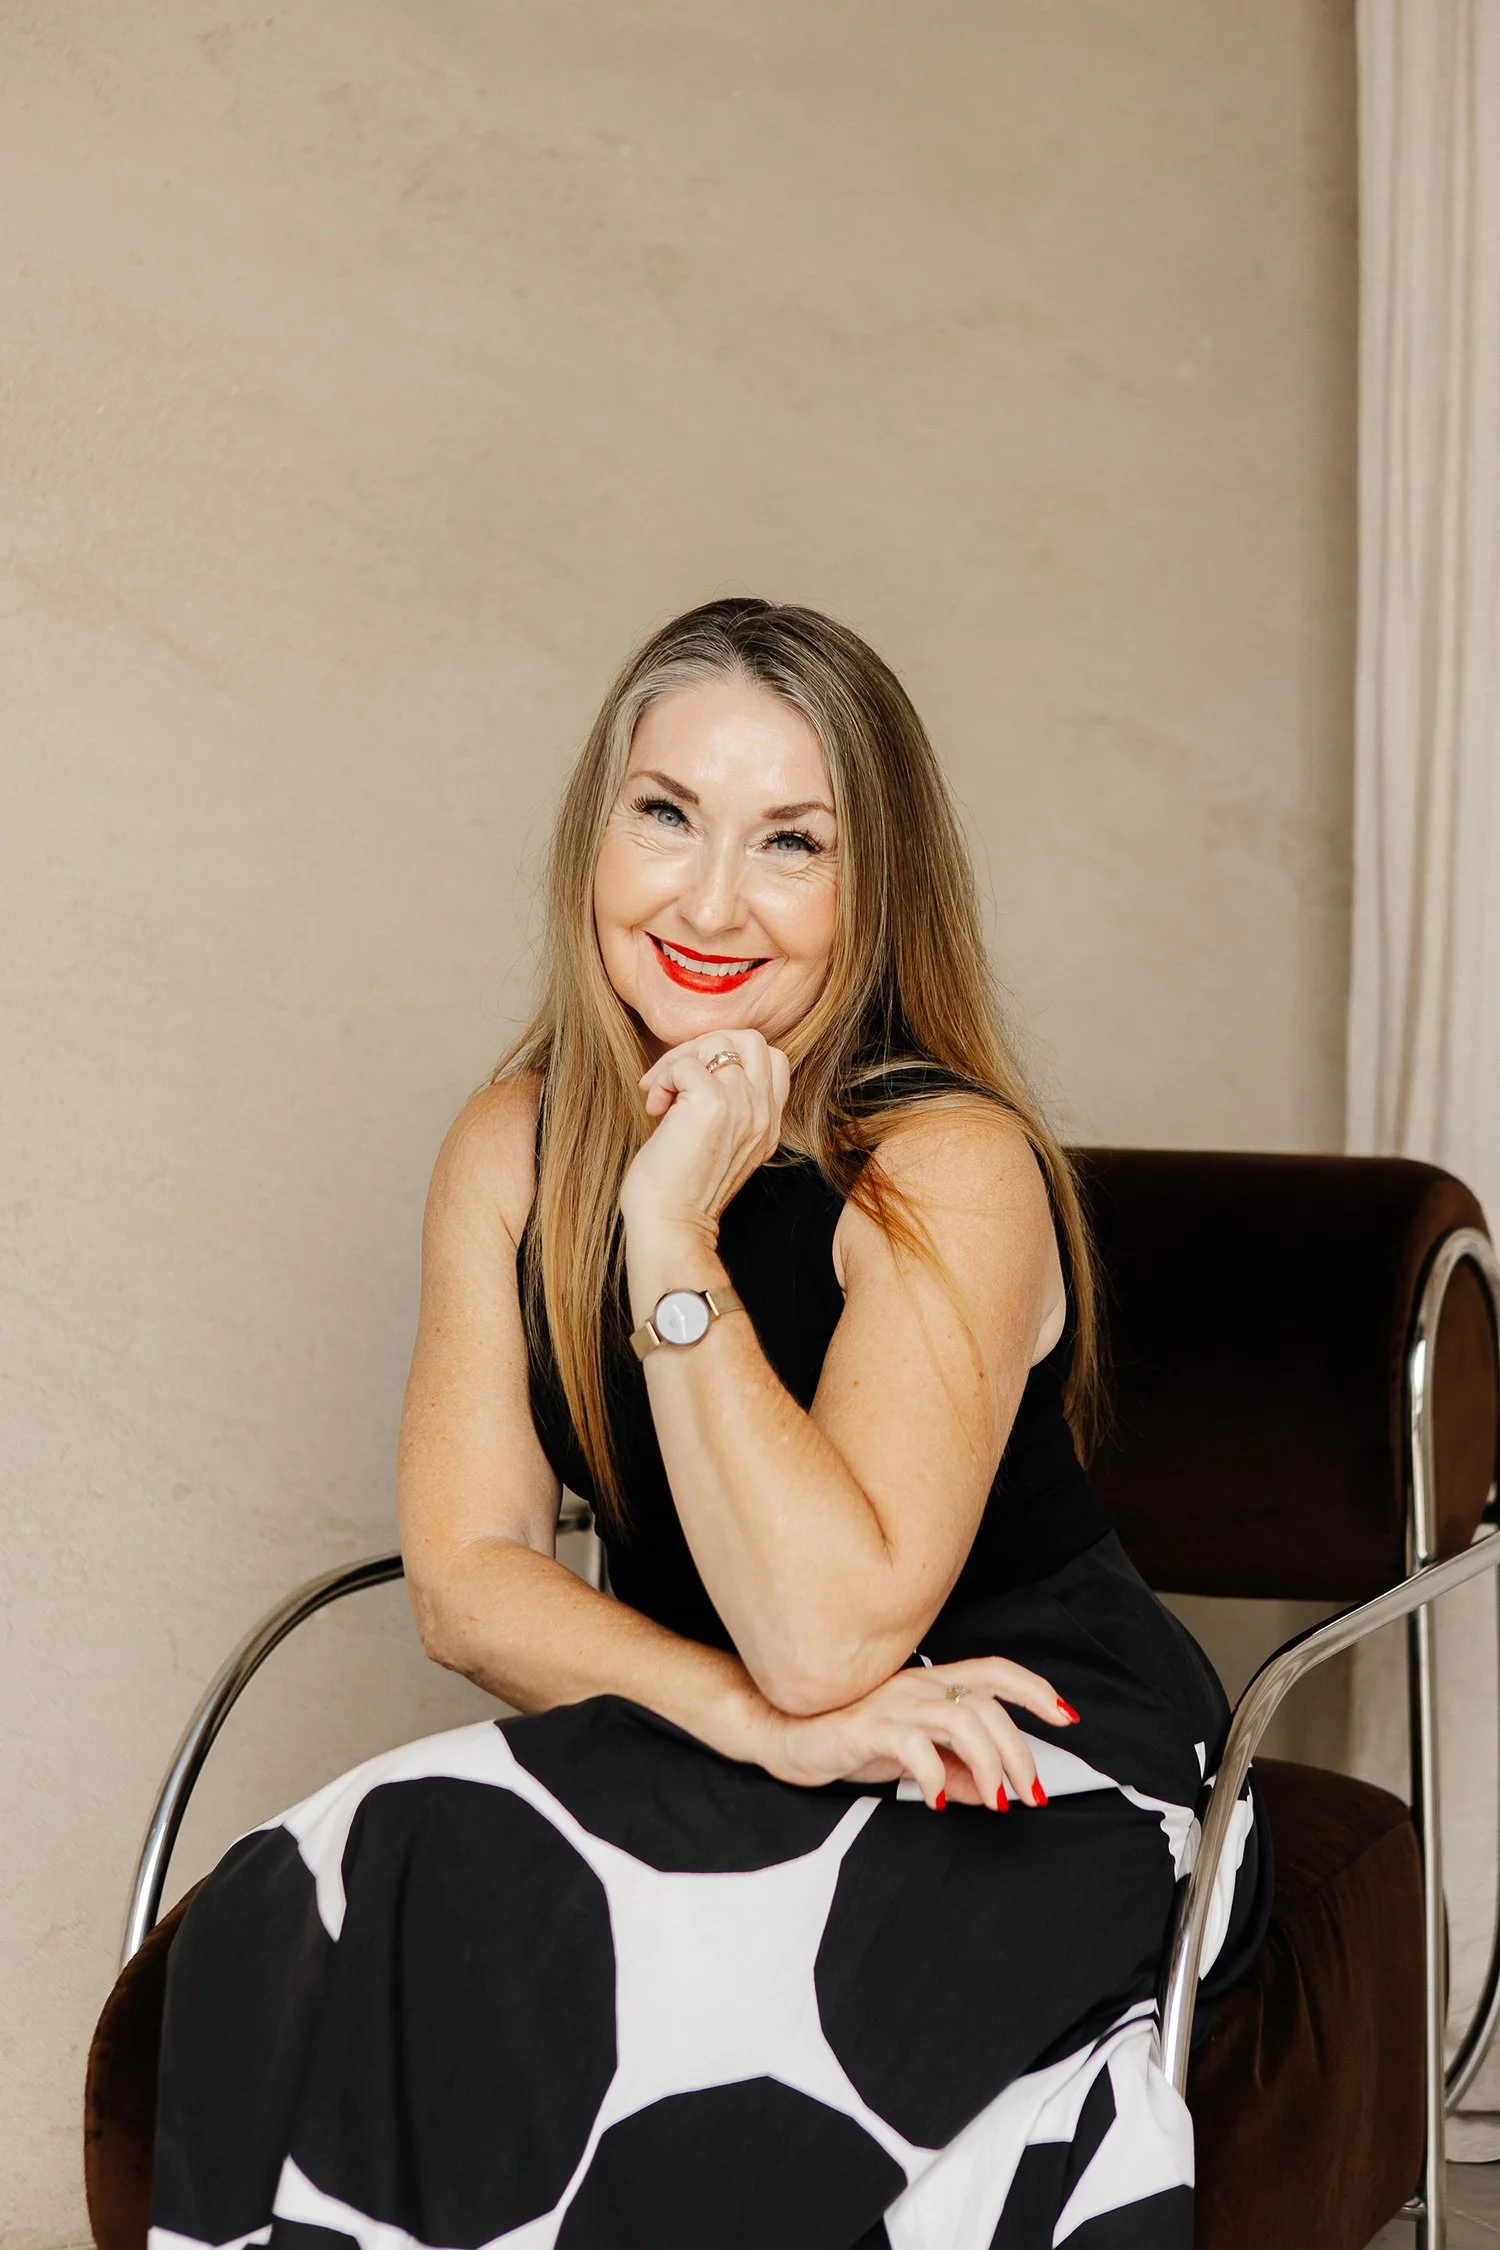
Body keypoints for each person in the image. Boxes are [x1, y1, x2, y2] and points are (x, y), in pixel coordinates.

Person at [151, 599, 1268, 2250]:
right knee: (347, 1871)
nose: (711, 901)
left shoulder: (946, 1167)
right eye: (666, 813)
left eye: (791, 842)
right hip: (712, 1734)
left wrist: (672, 1234)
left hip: (1024, 1749)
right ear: (593, 837)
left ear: (873, 889)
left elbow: (828, 1635)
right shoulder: (515, 1143)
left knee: (776, 2025)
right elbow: (467, 1580)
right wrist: (749, 1725)